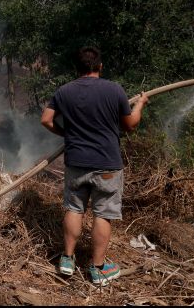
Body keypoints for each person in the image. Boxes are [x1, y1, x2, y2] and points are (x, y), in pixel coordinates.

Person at [40, 47, 149, 286]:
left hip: (76, 162)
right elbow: (130, 125)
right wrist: (140, 104)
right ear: (100, 66)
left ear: (77, 68)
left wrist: (66, 133)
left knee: (74, 209)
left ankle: (67, 260)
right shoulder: (114, 90)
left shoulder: (64, 91)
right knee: (103, 214)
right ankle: (98, 269)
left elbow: (46, 119)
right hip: (107, 165)